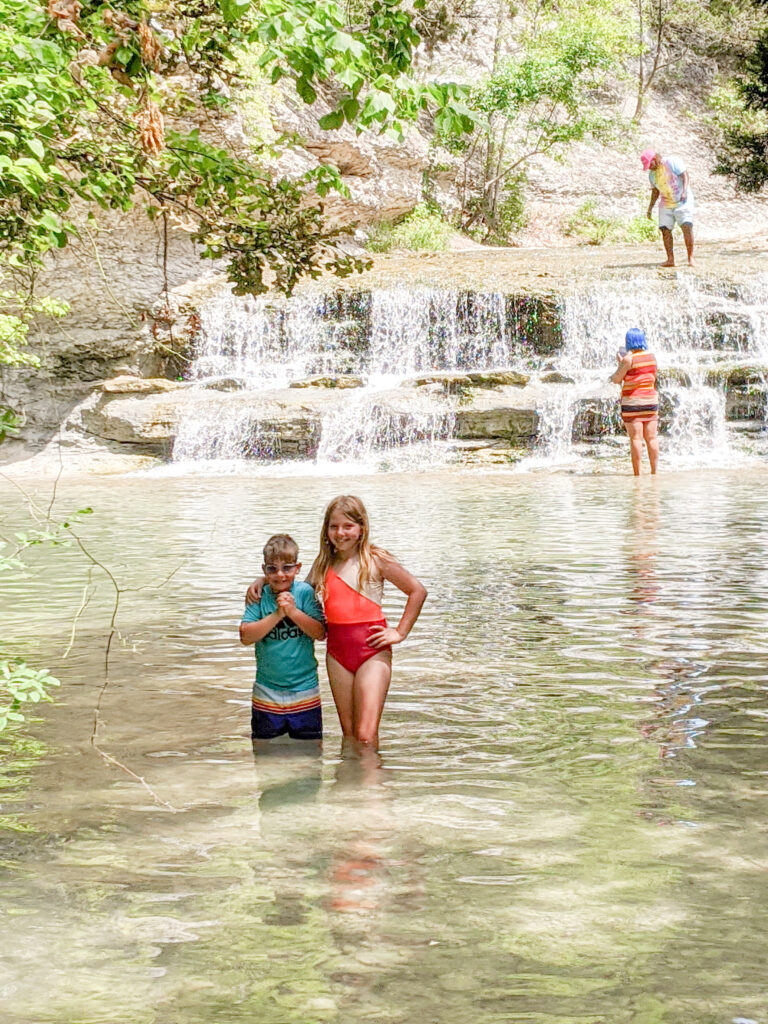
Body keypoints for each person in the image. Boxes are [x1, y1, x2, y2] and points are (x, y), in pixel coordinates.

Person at [246, 496, 427, 749]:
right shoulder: (324, 563)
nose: (340, 533)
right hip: (337, 653)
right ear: (326, 530)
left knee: (365, 735)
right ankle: (349, 784)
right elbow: (294, 584)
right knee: (349, 734)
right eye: (334, 527)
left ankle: (374, 787)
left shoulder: (376, 559)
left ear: (361, 527)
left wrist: (399, 632)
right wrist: (263, 580)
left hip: (371, 651)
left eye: (348, 526)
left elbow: (417, 591)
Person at [240, 534, 326, 743]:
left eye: (287, 568)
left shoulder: (305, 593)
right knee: (264, 752)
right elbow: (245, 636)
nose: (280, 575)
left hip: (305, 690)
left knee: (310, 751)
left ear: (298, 568)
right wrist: (278, 614)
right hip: (266, 692)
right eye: (272, 569)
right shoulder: (259, 595)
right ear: (264, 570)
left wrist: (293, 612)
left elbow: (321, 632)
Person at [611, 327, 659, 476]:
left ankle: (637, 475)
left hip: (633, 403)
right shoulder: (652, 356)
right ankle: (654, 472)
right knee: (651, 437)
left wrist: (620, 363)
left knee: (636, 438)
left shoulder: (628, 359)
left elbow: (616, 379)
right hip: (650, 401)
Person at [641, 149, 694, 267]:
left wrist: (684, 191)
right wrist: (650, 208)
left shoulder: (672, 162)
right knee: (664, 229)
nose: (649, 168)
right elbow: (655, 192)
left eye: (650, 164)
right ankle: (670, 259)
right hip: (666, 203)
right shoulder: (652, 175)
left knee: (686, 226)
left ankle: (690, 258)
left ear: (655, 159)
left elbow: (685, 175)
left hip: (682, 200)